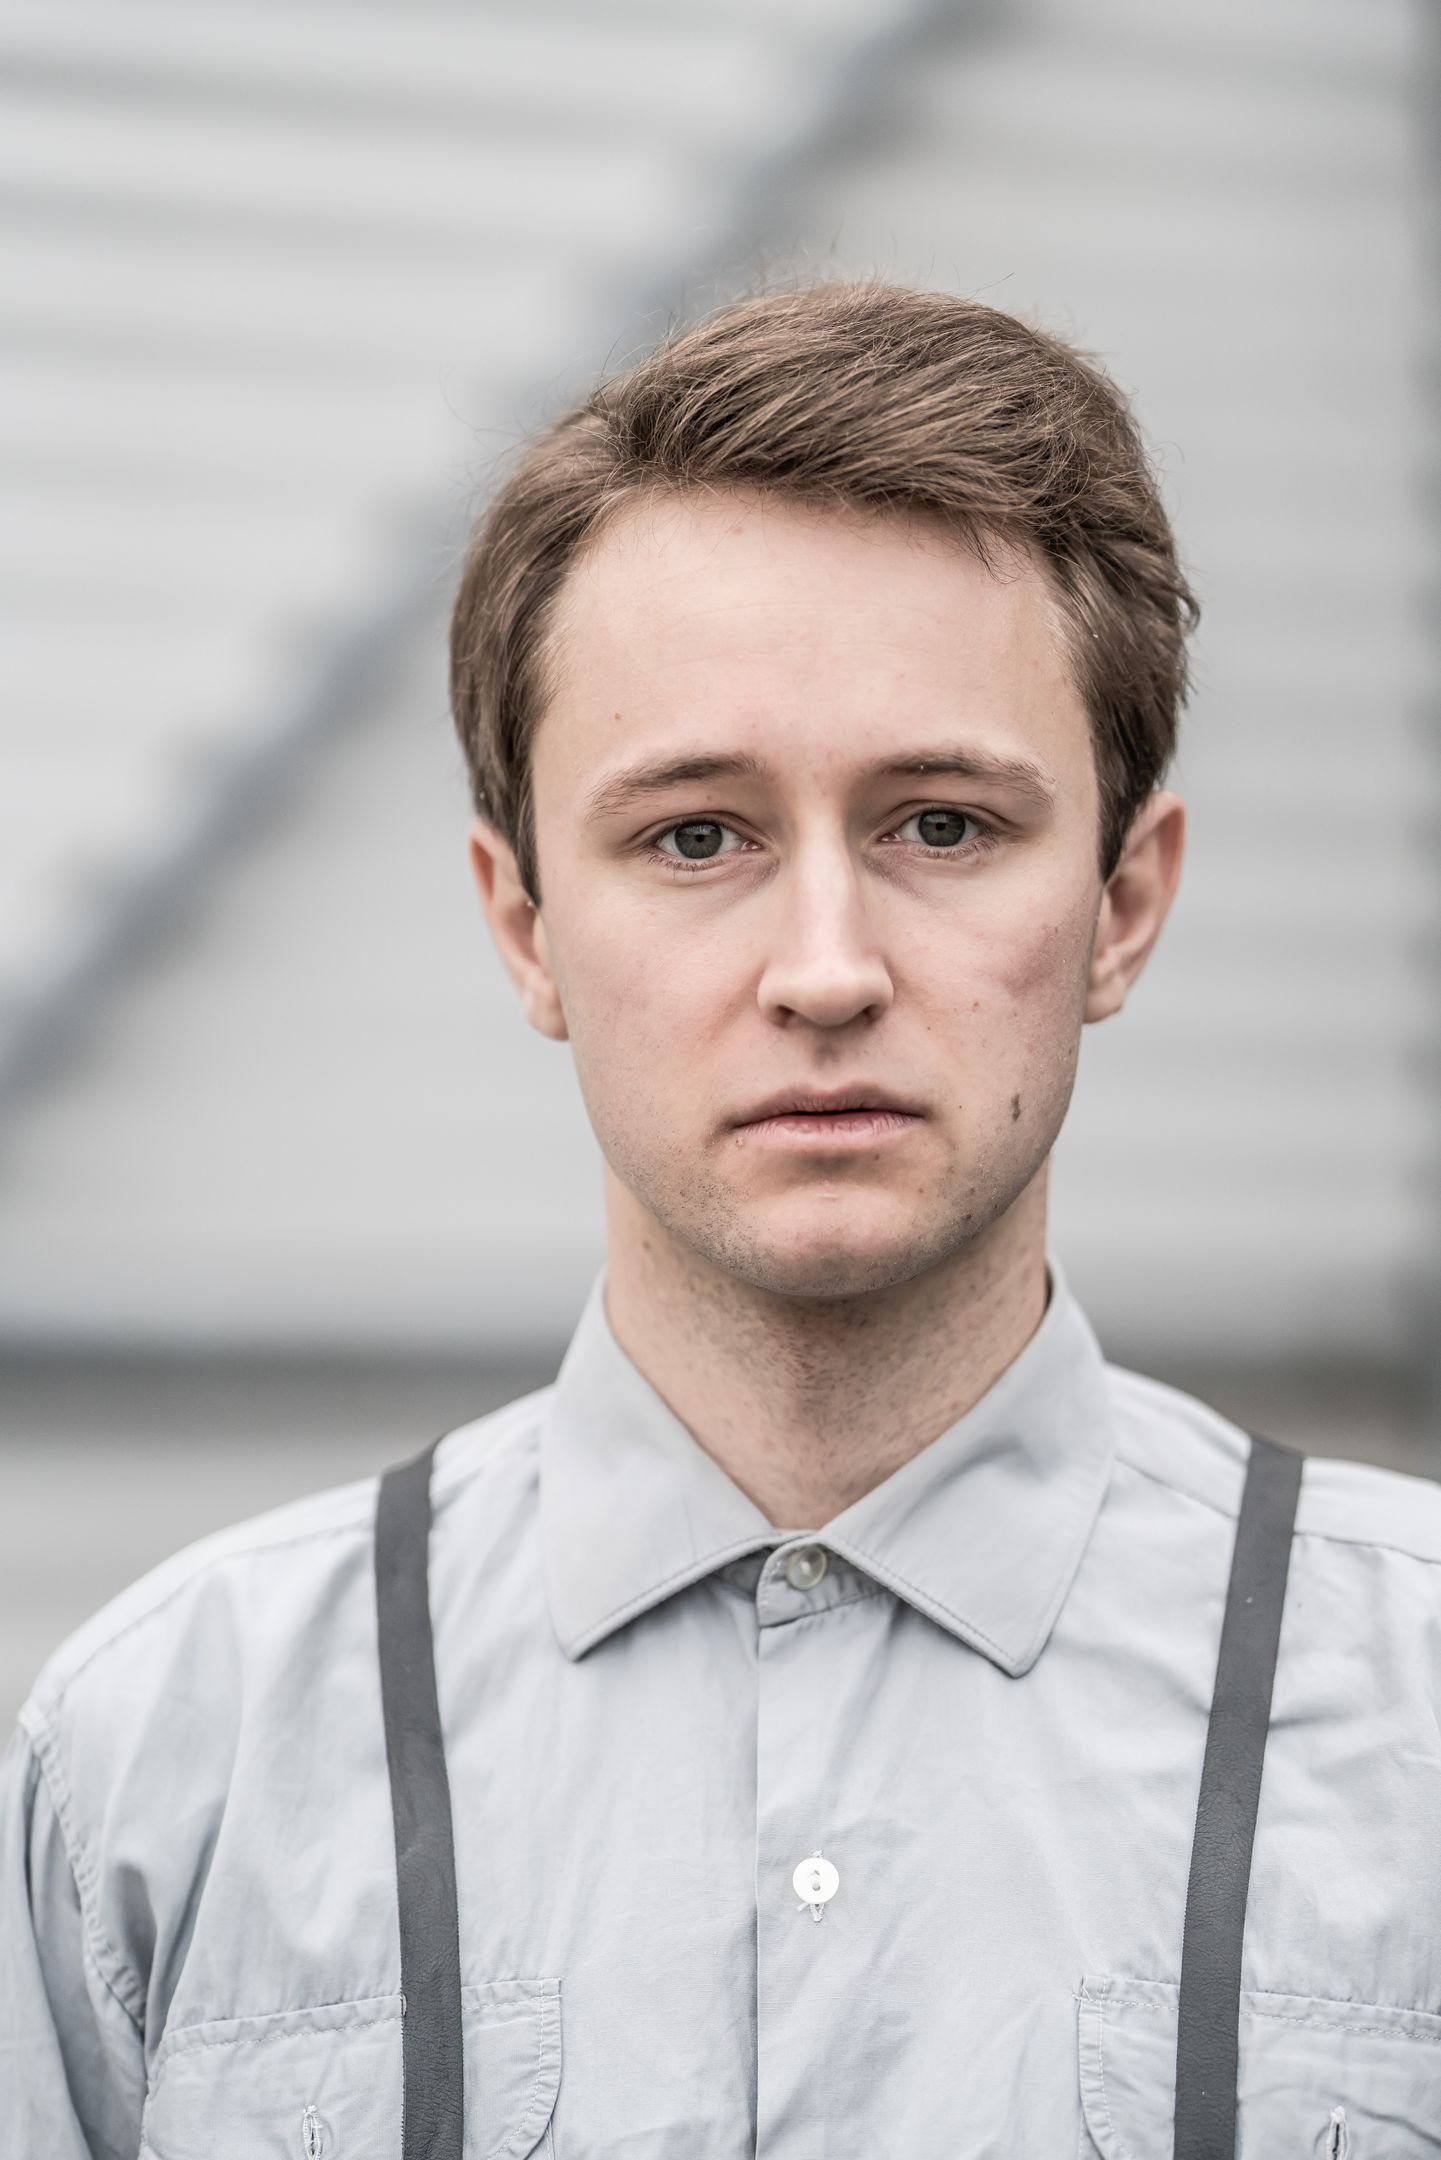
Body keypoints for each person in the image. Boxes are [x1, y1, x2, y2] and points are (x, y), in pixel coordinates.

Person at [4, 284, 1439, 2160]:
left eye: (941, 824)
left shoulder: (1414, 1714)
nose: (825, 970)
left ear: (1122, 905)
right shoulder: (160, 1761)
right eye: (695, 836)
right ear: (524, 925)